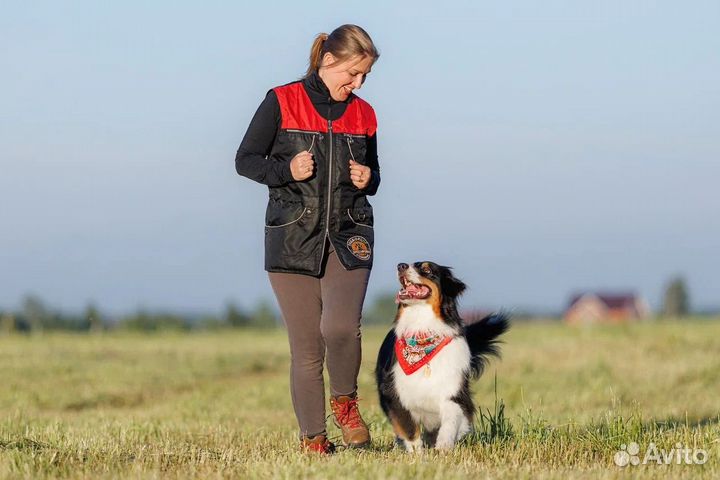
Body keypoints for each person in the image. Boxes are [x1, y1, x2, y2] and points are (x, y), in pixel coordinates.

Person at [235, 24, 381, 454]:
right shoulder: (281, 101)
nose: (356, 85)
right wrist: (285, 171)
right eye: (352, 74)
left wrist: (369, 178)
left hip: (349, 234)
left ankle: (346, 403)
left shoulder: (365, 114)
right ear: (328, 60)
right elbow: (245, 160)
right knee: (306, 350)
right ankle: (314, 442)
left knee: (340, 328)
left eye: (364, 78)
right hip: (292, 238)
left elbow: (375, 175)